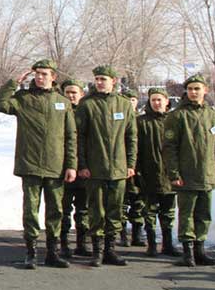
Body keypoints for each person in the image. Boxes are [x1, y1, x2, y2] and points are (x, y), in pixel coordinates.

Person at [0, 60, 77, 269]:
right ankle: (31, 252)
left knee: (55, 210)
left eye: (45, 74)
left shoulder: (62, 102)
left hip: (56, 165)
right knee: (31, 210)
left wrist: (71, 165)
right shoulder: (23, 99)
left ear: (53, 77)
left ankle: (53, 252)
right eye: (37, 74)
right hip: (30, 164)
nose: (40, 77)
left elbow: (70, 136)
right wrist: (14, 82)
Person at [76, 65, 137, 267]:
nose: (99, 82)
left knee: (115, 210)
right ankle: (98, 250)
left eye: (103, 79)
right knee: (96, 210)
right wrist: (82, 165)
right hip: (95, 168)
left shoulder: (124, 105)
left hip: (119, 168)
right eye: (97, 79)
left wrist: (130, 163)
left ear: (114, 80)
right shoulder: (87, 105)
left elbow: (131, 137)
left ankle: (111, 249)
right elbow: (80, 138)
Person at [164, 74, 215, 267]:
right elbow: (170, 148)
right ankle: (188, 253)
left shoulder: (212, 115)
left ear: (205, 90)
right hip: (186, 175)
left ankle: (200, 251)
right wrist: (174, 174)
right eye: (190, 89)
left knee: (204, 214)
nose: (193, 92)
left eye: (197, 89)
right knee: (186, 214)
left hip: (206, 174)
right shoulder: (177, 115)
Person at [136, 87, 180, 257]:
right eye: (153, 100)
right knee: (150, 212)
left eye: (159, 99)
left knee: (168, 212)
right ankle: (152, 244)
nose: (156, 103)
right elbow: (136, 147)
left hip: (170, 175)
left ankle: (168, 244)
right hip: (150, 173)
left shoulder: (174, 120)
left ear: (166, 101)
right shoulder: (142, 122)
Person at [59, 78, 91, 257]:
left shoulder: (86, 112)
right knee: (63, 209)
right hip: (63, 168)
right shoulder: (60, 111)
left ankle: (82, 243)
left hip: (84, 168)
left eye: (74, 92)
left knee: (83, 209)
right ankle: (63, 243)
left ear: (81, 94)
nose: (71, 96)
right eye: (68, 93)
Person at [119, 88, 145, 248]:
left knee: (138, 201)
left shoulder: (141, 120)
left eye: (133, 100)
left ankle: (137, 233)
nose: (130, 103)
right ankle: (122, 233)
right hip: (122, 164)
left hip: (139, 166)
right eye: (127, 100)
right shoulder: (119, 119)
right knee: (121, 201)